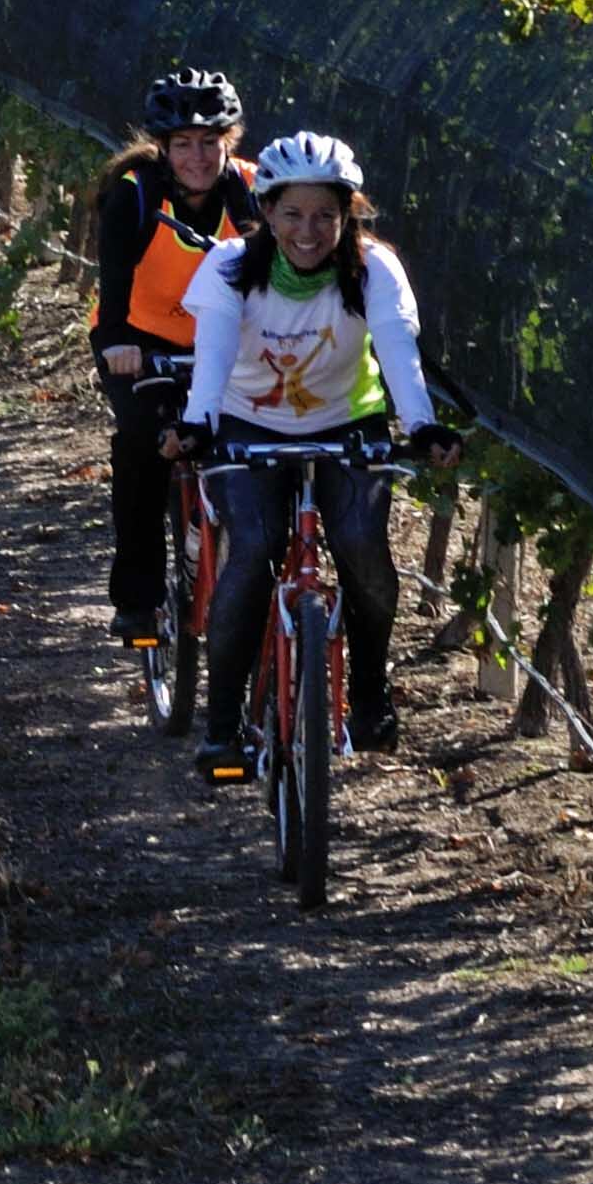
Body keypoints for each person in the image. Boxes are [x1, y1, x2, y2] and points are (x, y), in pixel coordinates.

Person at [172, 130, 460, 769]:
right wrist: (197, 423)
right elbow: (213, 354)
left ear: (348, 214)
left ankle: (370, 695)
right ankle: (224, 728)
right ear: (266, 211)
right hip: (249, 427)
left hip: (347, 424)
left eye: (326, 215)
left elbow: (397, 350)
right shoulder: (229, 267)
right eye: (293, 214)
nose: (309, 231)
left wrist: (422, 425)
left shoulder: (372, 269)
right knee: (252, 550)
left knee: (363, 553)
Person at [92, 69, 258, 647]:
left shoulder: (253, 193)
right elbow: (112, 293)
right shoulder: (134, 195)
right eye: (183, 144)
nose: (197, 157)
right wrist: (117, 346)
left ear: (228, 142)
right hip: (141, 341)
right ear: (163, 147)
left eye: (209, 143)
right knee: (141, 442)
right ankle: (137, 600)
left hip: (227, 341)